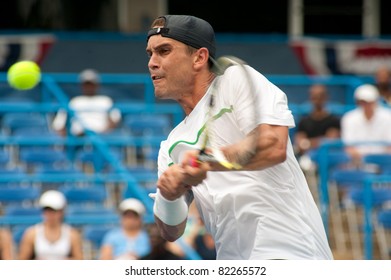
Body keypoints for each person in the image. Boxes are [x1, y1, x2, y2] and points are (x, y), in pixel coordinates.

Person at [146, 15, 333, 260]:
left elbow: (272, 145)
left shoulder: (235, 80)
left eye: (164, 51)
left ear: (199, 58)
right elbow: (171, 231)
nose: (152, 63)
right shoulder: (170, 146)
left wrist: (206, 160)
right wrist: (169, 197)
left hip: (289, 251)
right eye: (149, 54)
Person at [52, 69, 122, 136]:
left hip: (101, 138)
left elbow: (114, 121)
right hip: (77, 140)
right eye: (86, 84)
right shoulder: (74, 102)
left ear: (97, 85)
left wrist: (105, 134)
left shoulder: (106, 101)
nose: (89, 87)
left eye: (91, 84)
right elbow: (59, 125)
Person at [18, 190, 83, 260]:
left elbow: (79, 259)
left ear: (61, 212)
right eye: (47, 210)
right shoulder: (31, 234)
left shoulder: (72, 235)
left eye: (54, 211)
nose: (50, 215)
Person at [341, 84, 391, 166]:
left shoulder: (388, 116)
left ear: (376, 101)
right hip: (357, 162)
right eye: (363, 102)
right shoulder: (349, 118)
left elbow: (389, 147)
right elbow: (349, 148)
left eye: (369, 102)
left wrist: (377, 160)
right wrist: (364, 159)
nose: (366, 105)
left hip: (385, 162)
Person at [294, 84, 341, 158]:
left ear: (326, 97)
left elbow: (330, 141)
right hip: (307, 158)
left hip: (328, 158)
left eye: (321, 96)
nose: (317, 99)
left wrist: (308, 143)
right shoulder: (304, 121)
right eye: (314, 96)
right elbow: (299, 143)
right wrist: (319, 141)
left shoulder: (334, 120)